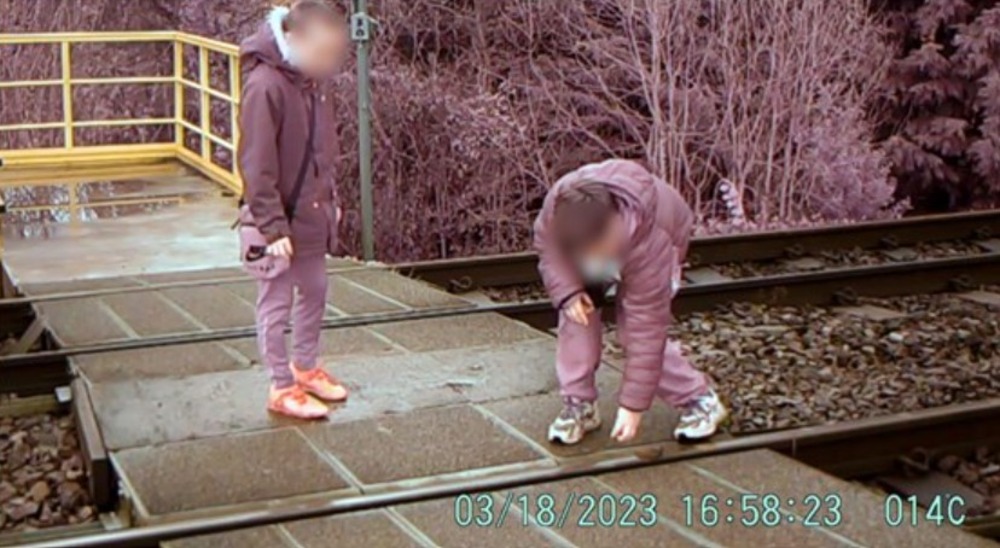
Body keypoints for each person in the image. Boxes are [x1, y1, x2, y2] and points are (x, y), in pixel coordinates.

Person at [533, 159, 728, 444]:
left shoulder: (654, 241)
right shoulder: (559, 207)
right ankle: (580, 404)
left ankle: (700, 400)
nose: (593, 261)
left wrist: (633, 405)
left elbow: (647, 328)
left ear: (614, 225)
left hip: (658, 239)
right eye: (584, 252)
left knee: (633, 333)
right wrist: (569, 291)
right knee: (576, 312)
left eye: (598, 252)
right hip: (604, 239)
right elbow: (548, 249)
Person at [237, 1, 350, 419]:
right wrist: (271, 227)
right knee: (276, 303)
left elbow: (323, 151)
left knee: (316, 289)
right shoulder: (266, 85)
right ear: (297, 38)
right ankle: (280, 385)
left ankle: (304, 366)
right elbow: (256, 162)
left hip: (310, 212)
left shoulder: (311, 81)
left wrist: (330, 201)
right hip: (276, 222)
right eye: (323, 53)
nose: (328, 64)